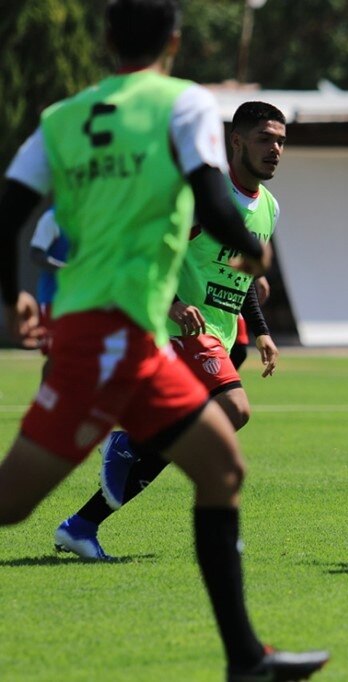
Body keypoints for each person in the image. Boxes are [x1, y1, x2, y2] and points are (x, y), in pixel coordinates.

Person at [0, 2, 327, 680]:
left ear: (105, 40)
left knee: (222, 468)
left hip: (136, 336)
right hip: (107, 335)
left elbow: (5, 213)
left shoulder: (59, 120)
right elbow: (211, 198)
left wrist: (16, 295)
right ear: (174, 43)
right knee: (10, 504)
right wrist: (251, 252)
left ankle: (246, 660)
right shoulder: (182, 104)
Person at [54, 101, 287, 561]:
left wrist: (260, 331)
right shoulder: (203, 196)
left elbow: (236, 278)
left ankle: (82, 525)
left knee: (187, 435)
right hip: (171, 330)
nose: (275, 149)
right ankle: (131, 439)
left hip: (216, 336)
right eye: (265, 139)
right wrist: (176, 304)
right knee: (234, 410)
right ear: (236, 142)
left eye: (281, 141)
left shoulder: (270, 210)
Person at [28, 207, 70, 371]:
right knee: (56, 357)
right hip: (54, 299)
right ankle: (45, 397)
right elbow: (36, 253)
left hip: (85, 298)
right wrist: (67, 271)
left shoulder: (93, 214)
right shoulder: (53, 217)